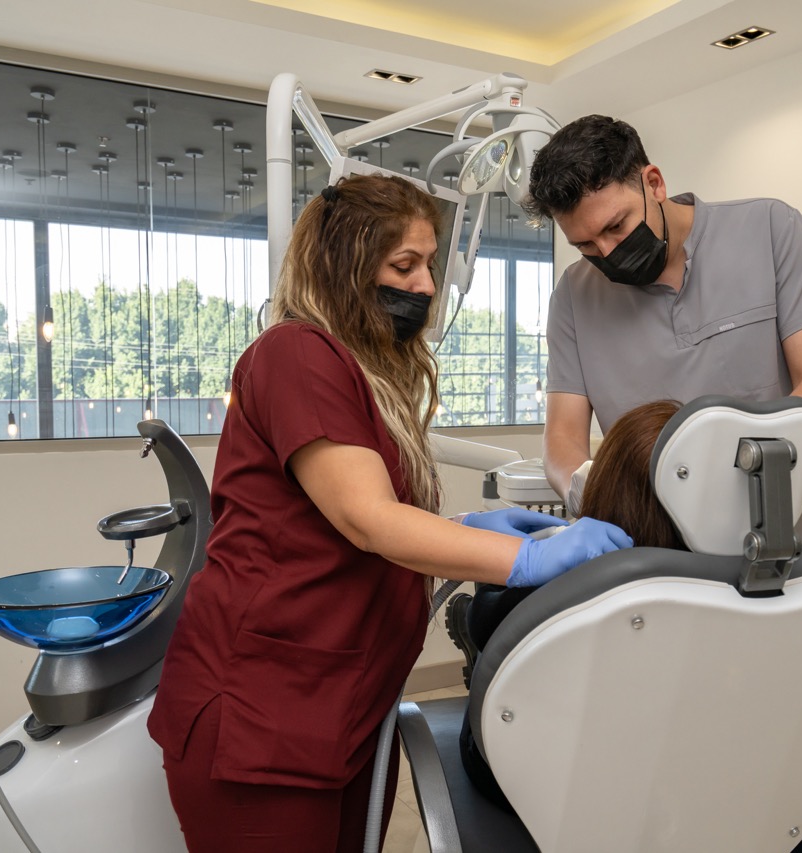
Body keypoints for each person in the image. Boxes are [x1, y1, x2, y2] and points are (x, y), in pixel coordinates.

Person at [145, 173, 631, 853]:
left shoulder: (362, 372)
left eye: (429, 264)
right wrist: (528, 558)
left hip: (344, 705)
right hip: (263, 712)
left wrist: (465, 530)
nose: (426, 286)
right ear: (343, 266)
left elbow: (349, 524)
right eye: (405, 266)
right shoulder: (296, 354)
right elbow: (368, 520)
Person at [524, 114, 802, 850]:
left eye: (615, 228)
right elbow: (563, 445)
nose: (606, 254)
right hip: (664, 585)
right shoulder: (576, 296)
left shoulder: (768, 229)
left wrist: (717, 479)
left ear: (653, 181)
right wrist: (593, 497)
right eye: (585, 245)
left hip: (788, 565)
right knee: (682, 788)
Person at [453, 399, 684, 808]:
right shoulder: (728, 588)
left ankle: (479, 660)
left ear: (604, 482)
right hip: (659, 781)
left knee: (489, 628)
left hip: (531, 786)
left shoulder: (561, 590)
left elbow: (483, 620)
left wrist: (504, 568)